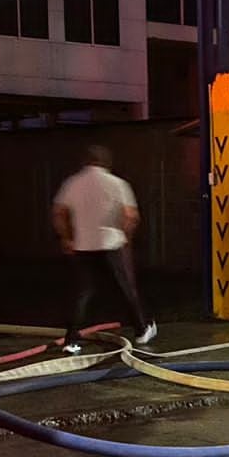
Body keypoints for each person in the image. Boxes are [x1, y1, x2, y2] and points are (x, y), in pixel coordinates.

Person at [52, 145, 156, 352]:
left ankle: (71, 340)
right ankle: (141, 329)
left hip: (83, 245)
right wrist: (126, 236)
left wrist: (66, 238)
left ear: (85, 161)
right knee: (125, 287)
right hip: (111, 243)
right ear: (107, 162)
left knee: (84, 292)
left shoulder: (72, 183)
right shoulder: (117, 183)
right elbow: (130, 215)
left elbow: (58, 213)